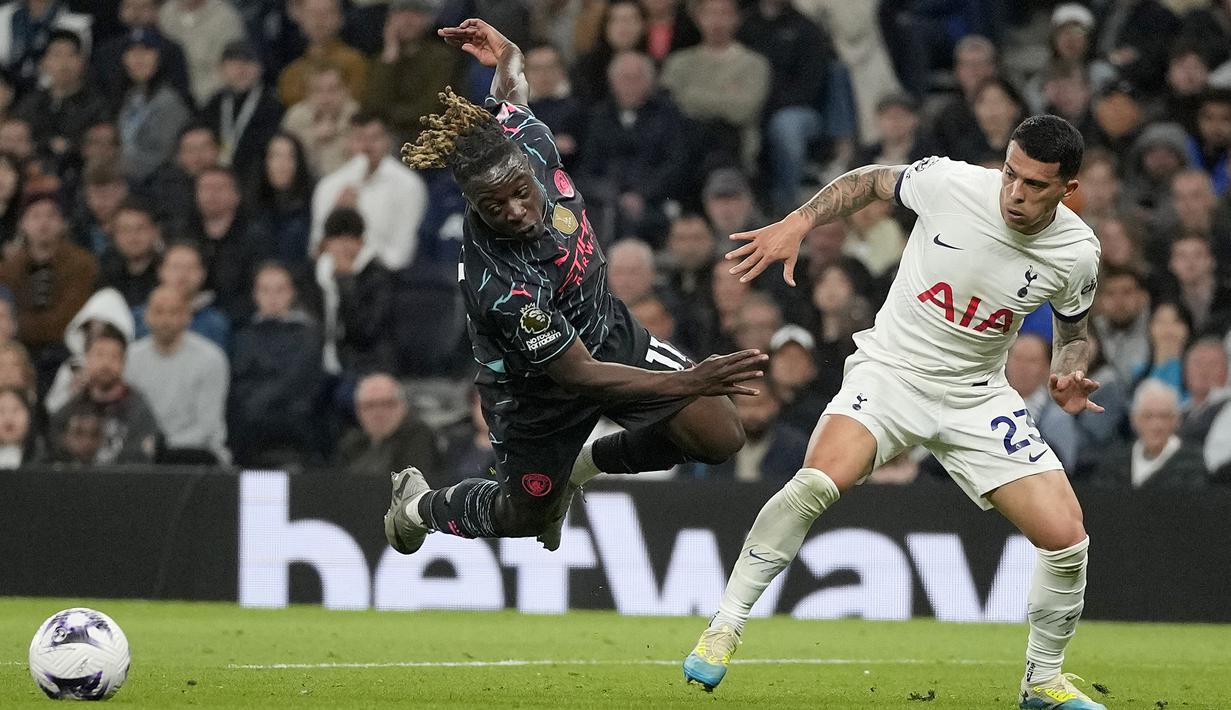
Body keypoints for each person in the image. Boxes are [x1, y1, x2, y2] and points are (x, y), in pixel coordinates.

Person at [682, 114, 1110, 710]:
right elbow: (873, 180)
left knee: (1068, 541)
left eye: (1035, 185)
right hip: (893, 373)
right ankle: (725, 625)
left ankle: (1041, 681)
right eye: (1011, 174)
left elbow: (1073, 329)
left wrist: (1068, 368)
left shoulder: (1077, 252)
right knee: (816, 483)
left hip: (976, 396)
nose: (1015, 193)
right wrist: (799, 221)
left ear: (1068, 189)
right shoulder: (953, 185)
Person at [385, 19, 763, 557]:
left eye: (519, 193)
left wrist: (508, 53)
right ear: (472, 205)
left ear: (527, 163)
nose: (514, 211)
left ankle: (580, 466)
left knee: (721, 436)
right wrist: (691, 379)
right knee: (519, 516)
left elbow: (512, 91)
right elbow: (582, 376)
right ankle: (417, 507)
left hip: (606, 329)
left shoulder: (530, 139)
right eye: (493, 207)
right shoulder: (505, 283)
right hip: (536, 393)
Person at [309, 112, 426, 270]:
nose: (366, 146)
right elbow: (317, 250)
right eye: (359, 138)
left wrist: (358, 231)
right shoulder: (329, 186)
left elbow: (401, 257)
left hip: (387, 281)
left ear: (388, 140)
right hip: (332, 278)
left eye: (374, 138)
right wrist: (337, 215)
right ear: (348, 142)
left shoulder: (408, 186)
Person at [125, 286, 229, 463]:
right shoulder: (130, 358)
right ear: (146, 316)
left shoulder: (211, 358)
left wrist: (163, 447)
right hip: (143, 451)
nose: (165, 320)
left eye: (174, 312)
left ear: (188, 316)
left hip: (196, 453)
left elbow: (208, 425)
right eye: (158, 312)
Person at [49, 327, 160, 465]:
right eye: (99, 354)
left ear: (123, 363)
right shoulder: (69, 410)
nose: (106, 363)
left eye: (114, 356)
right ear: (87, 358)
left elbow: (142, 459)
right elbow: (55, 455)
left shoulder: (138, 410)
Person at [1093, 379, 1206, 489]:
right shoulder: (1114, 463)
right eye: (1148, 416)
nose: (1156, 425)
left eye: (1164, 416)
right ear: (1134, 420)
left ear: (1176, 420)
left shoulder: (1192, 464)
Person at [334, 372, 441, 478]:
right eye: (369, 406)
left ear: (403, 406)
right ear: (358, 411)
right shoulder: (352, 443)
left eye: (387, 404)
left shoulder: (419, 436)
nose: (378, 413)